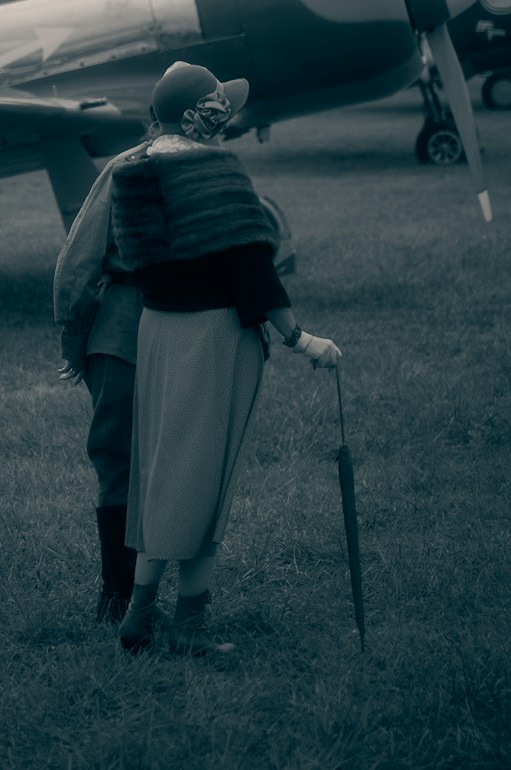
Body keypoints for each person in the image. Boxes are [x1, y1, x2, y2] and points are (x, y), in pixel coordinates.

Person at [108, 62, 341, 657]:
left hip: (157, 333)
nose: (227, 116)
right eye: (218, 106)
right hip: (211, 341)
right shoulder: (218, 173)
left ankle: (138, 617)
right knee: (202, 485)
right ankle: (188, 628)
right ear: (199, 115)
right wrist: (302, 340)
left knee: (160, 475)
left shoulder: (132, 171)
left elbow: (132, 264)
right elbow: (252, 273)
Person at [53, 137, 147, 622]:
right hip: (138, 333)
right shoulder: (130, 168)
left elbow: (79, 261)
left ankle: (129, 596)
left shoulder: (138, 166)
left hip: (148, 332)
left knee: (134, 465)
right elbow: (81, 262)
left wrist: (74, 337)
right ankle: (120, 594)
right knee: (126, 464)